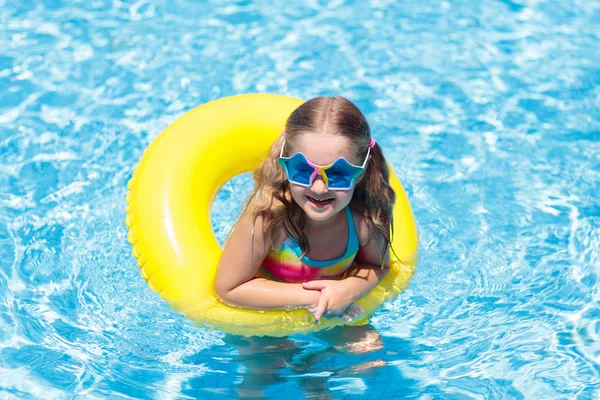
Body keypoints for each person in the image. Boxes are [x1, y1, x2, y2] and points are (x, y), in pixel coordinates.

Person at [215, 95, 395, 322]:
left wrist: (350, 288)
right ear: (285, 162)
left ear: (361, 173)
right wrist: (316, 297)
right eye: (302, 170)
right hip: (265, 322)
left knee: (370, 353)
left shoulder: (363, 222)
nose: (319, 187)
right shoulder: (268, 217)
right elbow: (229, 288)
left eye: (338, 174)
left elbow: (377, 266)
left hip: (334, 314)